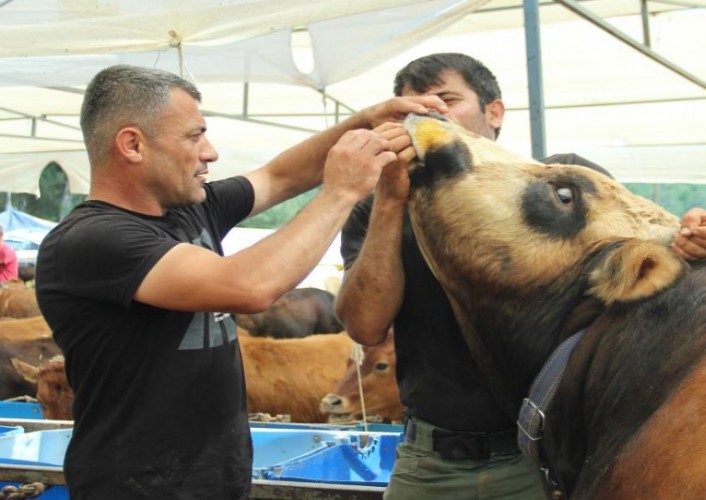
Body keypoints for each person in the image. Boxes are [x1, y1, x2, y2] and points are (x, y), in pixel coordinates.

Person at [334, 53, 706, 499]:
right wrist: (391, 199)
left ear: (494, 112)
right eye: (408, 106)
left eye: (446, 99)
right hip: (430, 462)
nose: (425, 113)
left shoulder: (562, 182)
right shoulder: (375, 211)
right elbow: (364, 326)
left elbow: (652, 242)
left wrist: (702, 236)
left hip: (546, 458)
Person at [34, 64, 445, 500]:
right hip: (137, 488)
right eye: (194, 136)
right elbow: (250, 286)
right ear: (133, 144)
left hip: (215, 481)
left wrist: (368, 120)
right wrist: (341, 191)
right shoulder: (92, 240)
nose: (209, 153)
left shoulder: (189, 209)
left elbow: (280, 176)